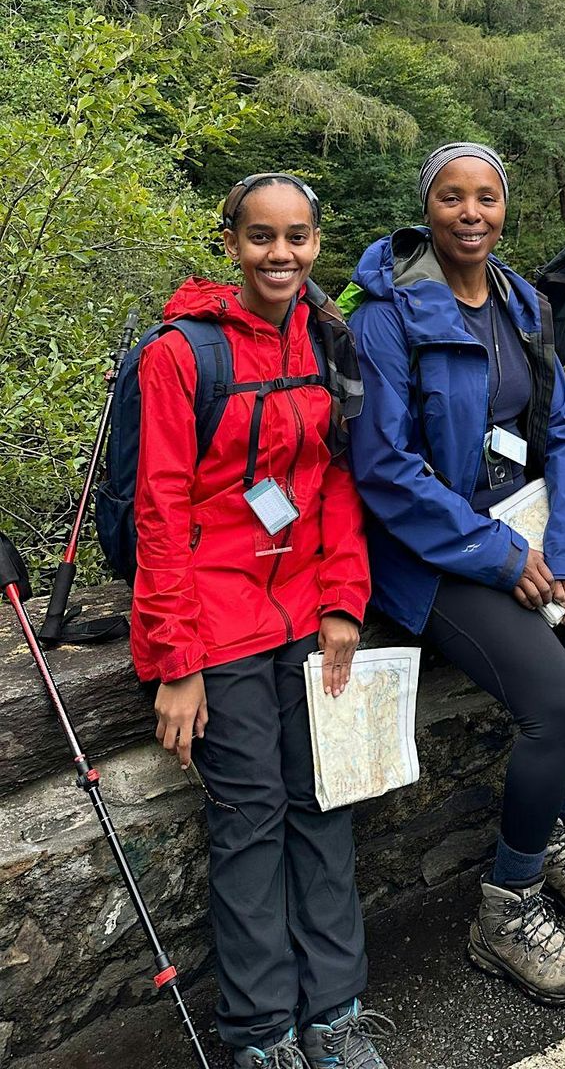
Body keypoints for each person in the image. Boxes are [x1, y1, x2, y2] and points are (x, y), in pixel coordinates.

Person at [343, 142, 565, 1007]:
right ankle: (506, 909)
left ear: (504, 207)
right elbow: (384, 469)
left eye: (486, 198)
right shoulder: (386, 315)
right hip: (432, 555)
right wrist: (504, 557)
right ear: (426, 209)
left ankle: (556, 832)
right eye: (451, 198)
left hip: (531, 533)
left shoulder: (521, 301)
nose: (470, 214)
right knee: (557, 704)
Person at [131, 174, 391, 1069]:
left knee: (325, 803)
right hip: (218, 622)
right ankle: (259, 1032)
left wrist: (343, 602)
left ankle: (338, 1012)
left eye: (298, 238)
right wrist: (175, 660)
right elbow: (160, 508)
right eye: (261, 238)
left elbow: (336, 482)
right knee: (249, 820)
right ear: (232, 243)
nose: (281, 255)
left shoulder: (327, 339)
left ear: (318, 242)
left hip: (306, 611)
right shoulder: (181, 355)